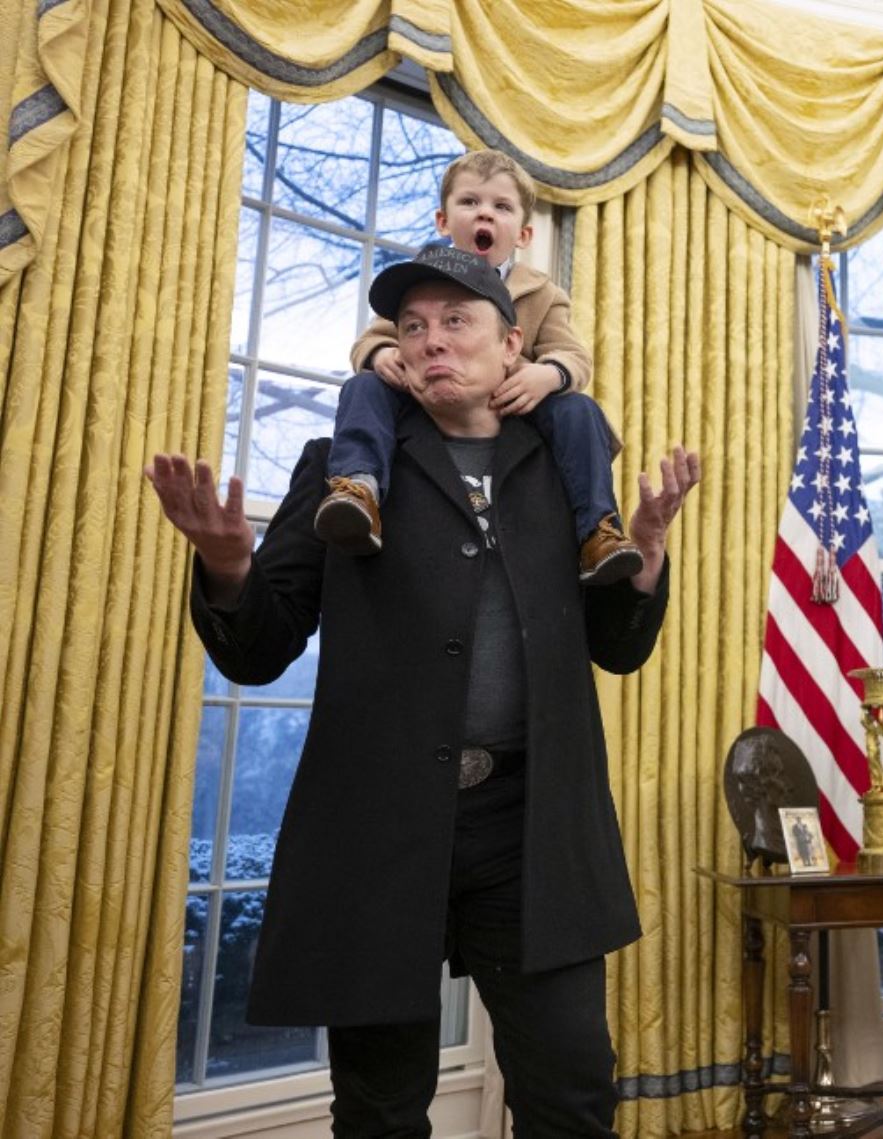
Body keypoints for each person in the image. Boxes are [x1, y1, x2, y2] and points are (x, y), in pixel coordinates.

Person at [146, 244, 700, 1136]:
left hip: (530, 830)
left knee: (571, 1089)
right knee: (379, 1105)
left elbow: (618, 651)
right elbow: (259, 648)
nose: (429, 340)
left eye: (455, 322)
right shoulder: (344, 466)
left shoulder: (564, 464)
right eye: (412, 326)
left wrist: (649, 553)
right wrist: (225, 562)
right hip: (378, 826)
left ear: (513, 346)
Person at [317, 148, 641, 586]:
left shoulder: (541, 292)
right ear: (443, 221)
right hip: (430, 397)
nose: (484, 214)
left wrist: (547, 374)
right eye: (470, 202)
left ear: (524, 234)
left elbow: (574, 356)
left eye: (501, 207)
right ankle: (359, 489)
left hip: (516, 400)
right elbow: (369, 340)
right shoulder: (419, 283)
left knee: (580, 411)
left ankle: (598, 532)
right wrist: (381, 356)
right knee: (363, 388)